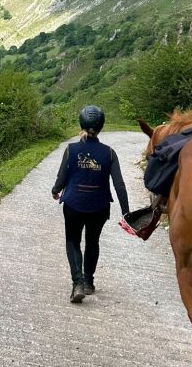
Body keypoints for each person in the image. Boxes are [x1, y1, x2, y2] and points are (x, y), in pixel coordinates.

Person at [51, 105, 130, 303]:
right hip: (99, 205)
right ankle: (88, 282)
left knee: (73, 241)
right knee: (92, 242)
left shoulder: (71, 150)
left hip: (73, 204)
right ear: (101, 126)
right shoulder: (109, 153)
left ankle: (77, 282)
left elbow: (62, 176)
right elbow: (119, 184)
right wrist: (127, 212)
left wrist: (55, 190)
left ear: (81, 124)